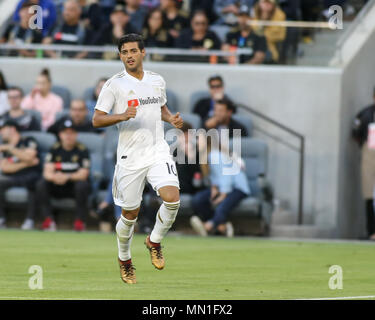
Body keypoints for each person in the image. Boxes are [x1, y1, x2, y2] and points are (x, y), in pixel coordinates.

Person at [92, 33, 183, 284]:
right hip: (129, 157)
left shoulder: (157, 80)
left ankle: (154, 241)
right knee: (130, 214)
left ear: (143, 52)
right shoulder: (114, 85)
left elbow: (160, 107)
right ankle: (124, 259)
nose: (129, 56)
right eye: (124, 52)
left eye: (133, 51)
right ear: (120, 56)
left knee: (172, 198)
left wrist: (170, 119)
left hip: (157, 150)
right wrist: (121, 115)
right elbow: (97, 119)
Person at [35, 119, 91, 232]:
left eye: (71, 133)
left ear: (76, 134)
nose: (68, 136)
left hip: (73, 187)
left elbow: (84, 174)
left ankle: (80, 221)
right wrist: (56, 177)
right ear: (60, 134)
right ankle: (48, 220)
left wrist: (67, 177)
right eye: (65, 133)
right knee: (41, 184)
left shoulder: (82, 150)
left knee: (82, 185)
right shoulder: (55, 149)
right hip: (57, 185)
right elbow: (47, 172)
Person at [190, 134, 250, 237]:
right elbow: (215, 176)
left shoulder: (215, 155)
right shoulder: (209, 156)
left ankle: (208, 226)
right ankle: (222, 227)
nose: (196, 142)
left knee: (221, 207)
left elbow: (226, 176)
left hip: (237, 188)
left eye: (199, 140)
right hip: (223, 187)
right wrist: (214, 188)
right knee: (198, 200)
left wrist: (222, 196)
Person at [0, 119, 41, 230]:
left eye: (3, 129)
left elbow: (29, 157)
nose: (1, 132)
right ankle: (1, 218)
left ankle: (30, 220)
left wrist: (11, 149)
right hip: (13, 176)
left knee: (34, 182)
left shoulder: (28, 140)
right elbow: (5, 167)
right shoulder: (5, 147)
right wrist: (26, 163)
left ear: (12, 129)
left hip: (30, 175)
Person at [352, 87, 375, 240]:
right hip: (370, 153)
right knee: (369, 193)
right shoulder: (365, 113)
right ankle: (372, 231)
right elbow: (356, 132)